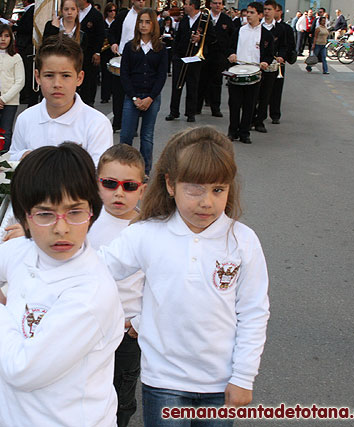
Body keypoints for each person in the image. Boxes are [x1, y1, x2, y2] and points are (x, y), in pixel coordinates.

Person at [0, 143, 124, 426]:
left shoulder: (91, 293)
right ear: (24, 216)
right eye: (44, 214)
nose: (61, 227)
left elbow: (22, 369)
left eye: (75, 212)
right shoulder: (26, 250)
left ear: (93, 211)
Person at [98, 126, 270, 426]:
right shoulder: (146, 233)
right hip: (164, 382)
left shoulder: (243, 241)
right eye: (195, 188)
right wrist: (36, 242)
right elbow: (96, 270)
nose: (207, 201)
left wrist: (244, 376)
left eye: (218, 189)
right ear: (170, 184)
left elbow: (254, 312)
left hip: (221, 383)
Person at [89, 144, 146, 426]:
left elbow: (159, 285)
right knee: (86, 392)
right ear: (96, 182)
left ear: (142, 189)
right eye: (110, 183)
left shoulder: (148, 230)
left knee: (122, 397)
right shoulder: (85, 220)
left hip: (126, 333)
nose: (119, 192)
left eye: (129, 185)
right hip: (87, 326)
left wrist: (142, 322)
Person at [9, 34, 112, 164]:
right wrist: (24, 156)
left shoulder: (97, 124)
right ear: (37, 77)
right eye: (49, 75)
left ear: (79, 78)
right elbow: (12, 160)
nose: (57, 83)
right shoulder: (25, 119)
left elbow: (99, 174)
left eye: (66, 75)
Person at [120, 8, 167, 176]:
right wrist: (133, 97)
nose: (144, 25)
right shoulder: (130, 47)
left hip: (151, 98)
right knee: (126, 135)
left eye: (148, 22)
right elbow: (124, 74)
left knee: (147, 137)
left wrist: (150, 98)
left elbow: (161, 76)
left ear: (154, 24)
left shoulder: (160, 49)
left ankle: (144, 171)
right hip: (132, 96)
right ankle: (123, 168)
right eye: (141, 21)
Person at [226, 1, 274, 144]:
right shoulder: (239, 30)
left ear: (260, 15)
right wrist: (231, 55)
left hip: (254, 73)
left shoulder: (266, 35)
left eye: (252, 13)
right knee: (234, 104)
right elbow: (230, 47)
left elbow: (269, 54)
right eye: (247, 12)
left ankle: (244, 133)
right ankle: (232, 131)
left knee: (249, 105)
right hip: (237, 71)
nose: (248, 15)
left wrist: (265, 62)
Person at [165, 0, 212, 123]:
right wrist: (175, 55)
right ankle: (173, 111)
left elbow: (212, 37)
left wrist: (200, 38)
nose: (184, 6)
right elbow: (178, 37)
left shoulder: (205, 19)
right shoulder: (184, 20)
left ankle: (190, 113)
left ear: (192, 6)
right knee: (177, 85)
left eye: (186, 4)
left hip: (195, 58)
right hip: (181, 56)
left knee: (192, 86)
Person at [108, 0, 146, 132]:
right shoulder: (123, 15)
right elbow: (112, 32)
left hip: (139, 58)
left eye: (143, 0)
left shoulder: (146, 17)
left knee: (134, 91)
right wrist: (113, 43)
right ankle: (117, 122)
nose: (141, 2)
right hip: (123, 56)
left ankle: (132, 125)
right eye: (138, 0)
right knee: (118, 91)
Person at [251, 0, 285, 134]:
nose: (266, 12)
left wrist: (281, 56)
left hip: (271, 66)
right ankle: (251, 118)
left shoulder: (281, 28)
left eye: (269, 9)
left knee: (266, 94)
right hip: (256, 64)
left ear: (276, 11)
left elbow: (284, 46)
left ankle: (260, 120)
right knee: (254, 93)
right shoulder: (258, 27)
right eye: (265, 9)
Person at [196, 0, 234, 118]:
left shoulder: (227, 20)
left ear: (222, 5)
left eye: (220, 3)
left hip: (219, 55)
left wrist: (228, 54)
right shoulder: (204, 17)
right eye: (215, 3)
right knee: (201, 81)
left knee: (216, 82)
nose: (218, 5)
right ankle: (197, 107)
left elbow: (231, 37)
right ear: (210, 4)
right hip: (205, 53)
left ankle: (215, 108)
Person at [269, 2, 295, 125]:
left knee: (276, 90)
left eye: (276, 10)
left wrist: (283, 56)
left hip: (279, 63)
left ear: (279, 12)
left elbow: (290, 45)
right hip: (265, 62)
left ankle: (275, 114)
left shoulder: (286, 28)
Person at [77, 0, 106, 107]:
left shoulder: (96, 15)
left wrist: (97, 52)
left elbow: (100, 35)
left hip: (90, 53)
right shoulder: (75, 12)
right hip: (76, 53)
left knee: (89, 79)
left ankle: (89, 102)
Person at [14, 0, 38, 106]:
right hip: (24, 45)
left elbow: (27, 27)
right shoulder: (29, 11)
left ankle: (27, 95)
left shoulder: (32, 10)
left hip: (27, 45)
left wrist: (15, 27)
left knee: (28, 70)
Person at [100, 2, 117, 104]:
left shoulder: (117, 23)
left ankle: (113, 93)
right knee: (105, 74)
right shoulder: (103, 23)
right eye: (110, 11)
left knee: (114, 73)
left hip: (114, 51)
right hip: (104, 51)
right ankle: (105, 96)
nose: (112, 13)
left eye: (114, 11)